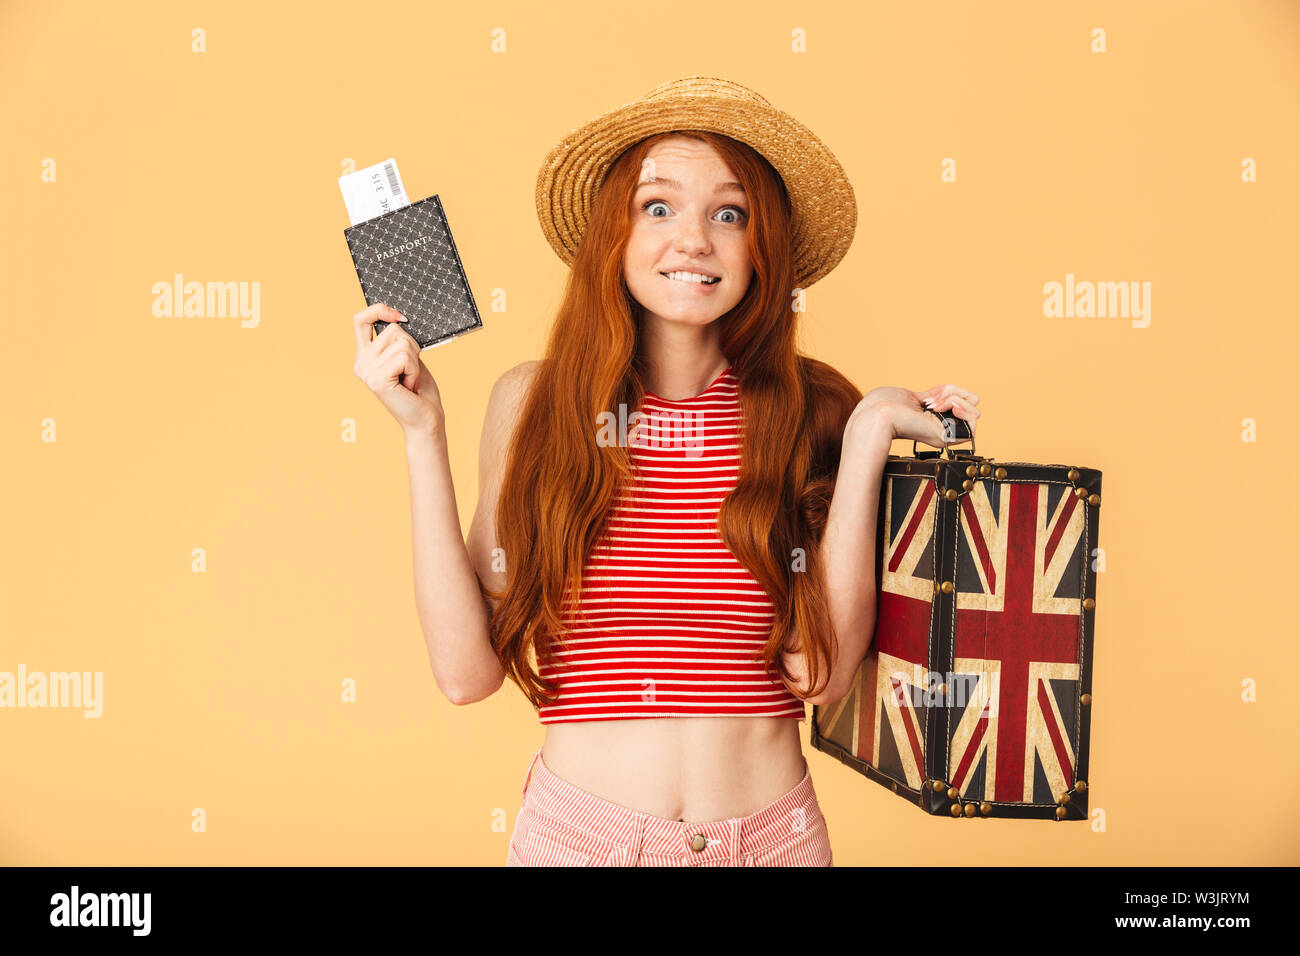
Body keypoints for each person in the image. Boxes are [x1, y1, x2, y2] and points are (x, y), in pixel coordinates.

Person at [351, 76, 980, 866]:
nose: (694, 240)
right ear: (613, 235)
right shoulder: (535, 404)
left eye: (729, 213)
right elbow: (464, 673)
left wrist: (869, 433)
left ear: (762, 248)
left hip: (775, 843)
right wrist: (422, 435)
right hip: (580, 842)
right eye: (658, 207)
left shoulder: (815, 409)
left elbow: (818, 677)